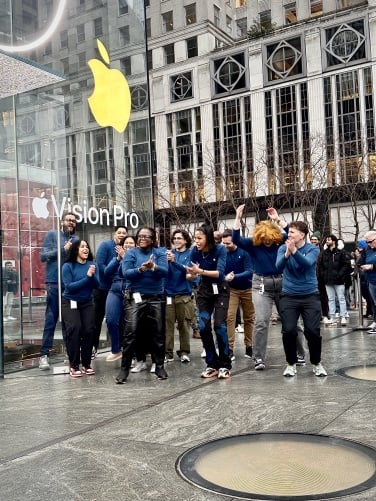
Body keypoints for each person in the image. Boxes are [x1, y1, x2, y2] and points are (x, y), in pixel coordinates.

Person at [232, 204, 287, 370]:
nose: (267, 241)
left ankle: (299, 354)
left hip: (282, 282)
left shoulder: (279, 241)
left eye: (269, 238)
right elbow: (236, 239)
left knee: (291, 321)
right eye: (264, 238)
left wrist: (278, 220)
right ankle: (258, 358)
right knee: (262, 321)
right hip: (261, 284)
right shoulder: (253, 244)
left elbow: (294, 234)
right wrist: (237, 218)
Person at [116, 227, 169, 383]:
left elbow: (165, 271)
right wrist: (141, 269)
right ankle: (124, 369)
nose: (142, 238)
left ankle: (159, 365)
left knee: (158, 332)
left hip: (156, 297)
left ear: (153, 239)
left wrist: (153, 267)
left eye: (146, 236)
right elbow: (126, 273)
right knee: (130, 332)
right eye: (140, 236)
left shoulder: (159, 253)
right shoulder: (131, 253)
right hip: (135, 297)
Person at [276, 221, 327, 377]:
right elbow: (278, 267)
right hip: (288, 296)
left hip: (310, 296)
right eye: (289, 231)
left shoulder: (312, 248)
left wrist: (294, 251)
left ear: (302, 235)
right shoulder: (282, 248)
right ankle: (291, 363)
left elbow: (306, 263)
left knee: (312, 331)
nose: (288, 234)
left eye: (292, 232)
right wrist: (287, 253)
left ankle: (317, 363)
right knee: (289, 331)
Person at [186, 224, 232, 379]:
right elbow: (189, 275)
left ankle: (225, 364)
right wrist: (192, 275)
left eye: (199, 238)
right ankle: (212, 364)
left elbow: (220, 274)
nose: (197, 241)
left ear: (208, 238)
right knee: (203, 327)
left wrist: (200, 272)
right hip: (204, 290)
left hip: (221, 289)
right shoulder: (195, 251)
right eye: (195, 238)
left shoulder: (220, 249)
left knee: (219, 325)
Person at [39, 213, 79, 370]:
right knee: (51, 319)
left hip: (69, 284)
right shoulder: (52, 234)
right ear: (62, 222)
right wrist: (63, 249)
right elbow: (44, 256)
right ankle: (44, 355)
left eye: (74, 221)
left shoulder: (76, 240)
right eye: (68, 220)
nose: (71, 223)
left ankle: (70, 354)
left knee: (69, 320)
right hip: (54, 282)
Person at [61, 240, 99, 377]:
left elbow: (97, 284)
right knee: (75, 328)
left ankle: (86, 364)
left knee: (89, 330)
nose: (86, 249)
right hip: (70, 301)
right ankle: (74, 364)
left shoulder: (92, 264)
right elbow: (69, 287)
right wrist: (88, 277)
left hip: (87, 302)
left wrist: (92, 276)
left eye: (87, 247)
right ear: (76, 250)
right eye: (82, 246)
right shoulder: (68, 266)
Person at [93, 226, 128, 361]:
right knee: (97, 320)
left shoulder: (128, 249)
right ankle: (93, 348)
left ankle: (122, 349)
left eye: (124, 233)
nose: (121, 234)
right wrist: (113, 274)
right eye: (119, 232)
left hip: (119, 288)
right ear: (114, 234)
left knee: (121, 321)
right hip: (103, 288)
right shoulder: (106, 245)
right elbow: (100, 265)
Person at [221, 229, 254, 361]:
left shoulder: (244, 252)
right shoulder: (222, 253)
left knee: (249, 318)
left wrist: (234, 277)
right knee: (229, 317)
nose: (225, 246)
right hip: (232, 289)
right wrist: (224, 277)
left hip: (248, 288)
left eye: (228, 243)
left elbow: (249, 271)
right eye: (223, 243)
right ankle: (229, 348)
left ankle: (249, 346)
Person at [104, 235, 136, 364]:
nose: (128, 245)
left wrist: (126, 258)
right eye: (126, 243)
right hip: (115, 289)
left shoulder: (137, 258)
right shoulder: (116, 258)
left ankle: (132, 354)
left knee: (130, 324)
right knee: (111, 320)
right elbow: (107, 272)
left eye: (131, 243)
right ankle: (116, 350)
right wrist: (118, 258)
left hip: (131, 290)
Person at [165, 229, 193, 363]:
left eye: (179, 238)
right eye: (174, 238)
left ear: (186, 240)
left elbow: (189, 271)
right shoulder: (169, 254)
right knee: (167, 325)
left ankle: (184, 352)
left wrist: (174, 262)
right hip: (169, 295)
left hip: (184, 295)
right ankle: (167, 353)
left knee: (184, 326)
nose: (176, 240)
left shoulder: (191, 254)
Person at [318, 234, 351, 326]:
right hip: (328, 280)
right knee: (331, 298)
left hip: (339, 280)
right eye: (326, 240)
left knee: (341, 298)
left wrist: (340, 274)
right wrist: (324, 275)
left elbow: (346, 265)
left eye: (329, 240)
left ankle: (343, 316)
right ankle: (332, 316)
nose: (327, 241)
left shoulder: (341, 252)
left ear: (334, 241)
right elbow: (321, 265)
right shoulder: (324, 253)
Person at [358, 230, 376, 334]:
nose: (368, 244)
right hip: (371, 280)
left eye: (370, 242)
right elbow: (361, 261)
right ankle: (375, 320)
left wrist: (372, 266)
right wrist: (361, 266)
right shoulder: (367, 249)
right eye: (367, 242)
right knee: (373, 303)